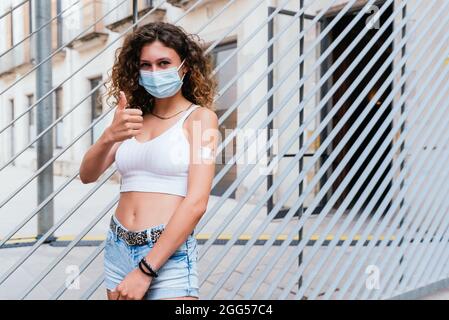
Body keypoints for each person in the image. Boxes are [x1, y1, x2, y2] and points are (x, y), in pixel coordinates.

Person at [79, 21, 219, 300]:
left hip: (167, 253)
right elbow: (87, 175)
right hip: (118, 244)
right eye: (146, 65)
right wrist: (109, 135)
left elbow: (196, 203)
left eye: (164, 63)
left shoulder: (201, 119)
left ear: (185, 67)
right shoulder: (131, 117)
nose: (155, 72)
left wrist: (145, 271)